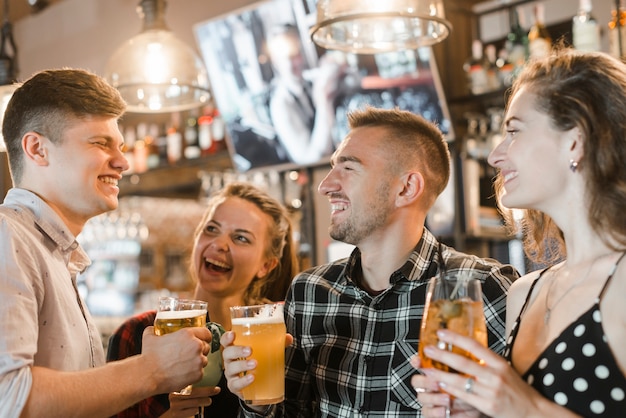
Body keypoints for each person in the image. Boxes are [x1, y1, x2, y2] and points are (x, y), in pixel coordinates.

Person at [221, 106, 519, 417]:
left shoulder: (486, 290)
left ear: (406, 188)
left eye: (348, 169)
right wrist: (255, 401)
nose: (325, 186)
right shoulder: (310, 291)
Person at [411, 48, 626, 417]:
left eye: (513, 131)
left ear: (575, 139)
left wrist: (524, 409)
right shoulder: (525, 292)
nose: (495, 155)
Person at [0, 68, 213, 417]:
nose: (123, 162)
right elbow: (9, 400)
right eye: (100, 143)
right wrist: (152, 370)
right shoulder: (8, 237)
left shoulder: (50, 252)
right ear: (37, 149)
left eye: (122, 147)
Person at [108, 181, 300, 417]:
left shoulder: (278, 330)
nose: (219, 244)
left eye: (241, 238)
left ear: (266, 265)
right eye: (211, 229)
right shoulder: (137, 332)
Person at [266, 23, 347, 165]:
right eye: (288, 58)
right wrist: (323, 101)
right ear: (275, 60)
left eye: (296, 54)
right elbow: (309, 159)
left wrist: (334, 64)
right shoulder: (280, 105)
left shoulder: (309, 80)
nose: (296, 63)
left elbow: (345, 74)